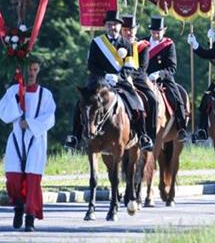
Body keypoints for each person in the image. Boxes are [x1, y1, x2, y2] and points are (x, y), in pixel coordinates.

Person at [64, 10, 153, 152]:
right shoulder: (97, 43)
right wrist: (104, 76)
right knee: (82, 102)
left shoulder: (127, 43)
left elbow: (130, 66)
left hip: (120, 81)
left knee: (137, 103)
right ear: (105, 26)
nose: (113, 27)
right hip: (99, 81)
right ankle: (75, 136)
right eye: (110, 24)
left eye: (115, 25)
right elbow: (92, 65)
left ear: (120, 27)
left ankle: (142, 136)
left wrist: (119, 77)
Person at [0, 58, 56, 232]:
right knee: (13, 178)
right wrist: (16, 104)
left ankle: (30, 217)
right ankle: (18, 206)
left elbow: (50, 117)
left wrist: (30, 123)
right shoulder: (14, 90)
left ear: (38, 71)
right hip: (16, 138)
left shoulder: (46, 94)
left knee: (32, 180)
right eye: (29, 69)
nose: (31, 73)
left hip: (35, 140)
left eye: (35, 69)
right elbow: (3, 113)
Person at [119, 14, 160, 151]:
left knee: (153, 100)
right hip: (118, 80)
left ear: (136, 29)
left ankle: (148, 136)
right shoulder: (114, 44)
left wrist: (130, 76)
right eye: (125, 30)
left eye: (131, 29)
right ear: (121, 30)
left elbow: (143, 67)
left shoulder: (142, 46)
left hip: (138, 79)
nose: (128, 32)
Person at [143, 15, 187, 141]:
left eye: (158, 31)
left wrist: (158, 74)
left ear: (164, 30)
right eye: (153, 31)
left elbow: (172, 68)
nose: (156, 34)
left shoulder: (168, 45)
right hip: (143, 77)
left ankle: (181, 127)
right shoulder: (143, 42)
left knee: (177, 98)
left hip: (163, 78)